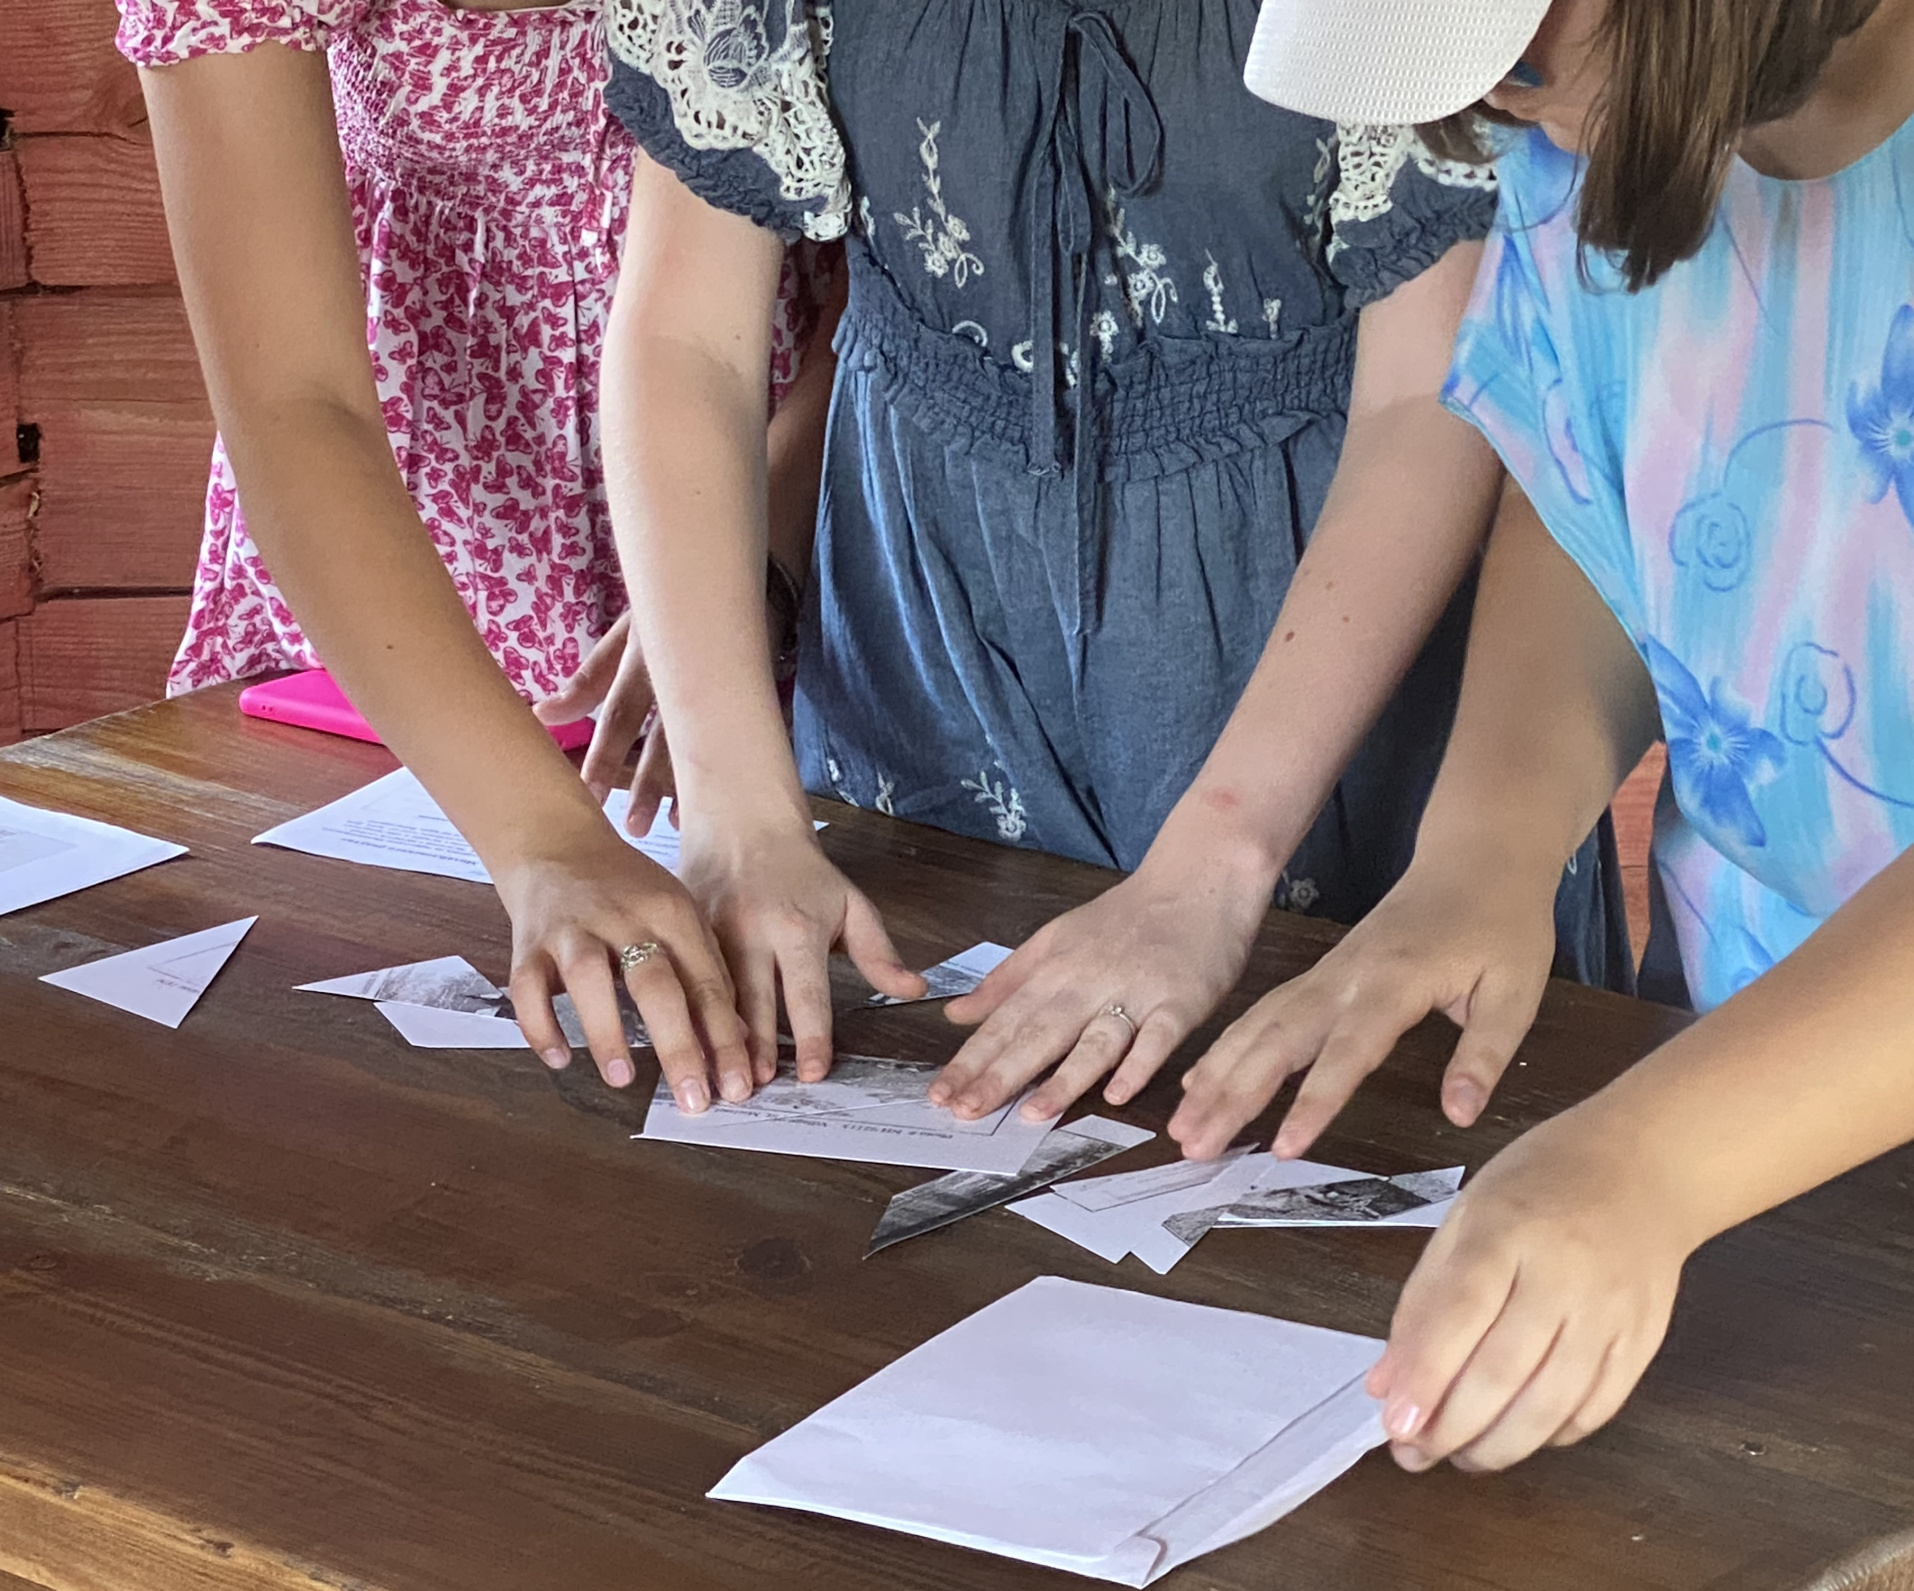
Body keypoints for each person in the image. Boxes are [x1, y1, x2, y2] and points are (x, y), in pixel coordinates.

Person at [1179, 0, 1914, 1476]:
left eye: (1518, 59)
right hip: (1741, 1079)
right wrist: (1484, 852)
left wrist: (1650, 1159)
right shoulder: (1607, 107)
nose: (1507, 111)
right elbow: (1593, 494)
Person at [595, 0, 1635, 1101]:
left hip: (1324, 654)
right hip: (920, 638)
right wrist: (736, 810)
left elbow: (1427, 394)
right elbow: (687, 336)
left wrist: (1218, 861)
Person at [119, 0, 835, 1108]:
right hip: (406, 531)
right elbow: (295, 400)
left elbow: (891, 285)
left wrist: (741, 579)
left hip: (770, 480)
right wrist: (543, 838)